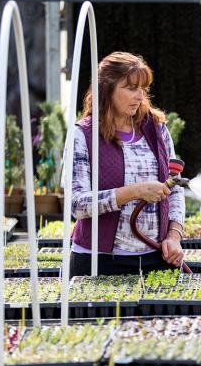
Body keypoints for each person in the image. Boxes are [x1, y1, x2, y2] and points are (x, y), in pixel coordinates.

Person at [68, 51, 185, 277]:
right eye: (131, 88)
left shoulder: (157, 129)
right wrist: (134, 192)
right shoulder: (83, 134)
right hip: (98, 262)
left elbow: (175, 187)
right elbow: (77, 204)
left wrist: (173, 235)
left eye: (143, 89)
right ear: (107, 89)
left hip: (156, 257)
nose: (140, 97)